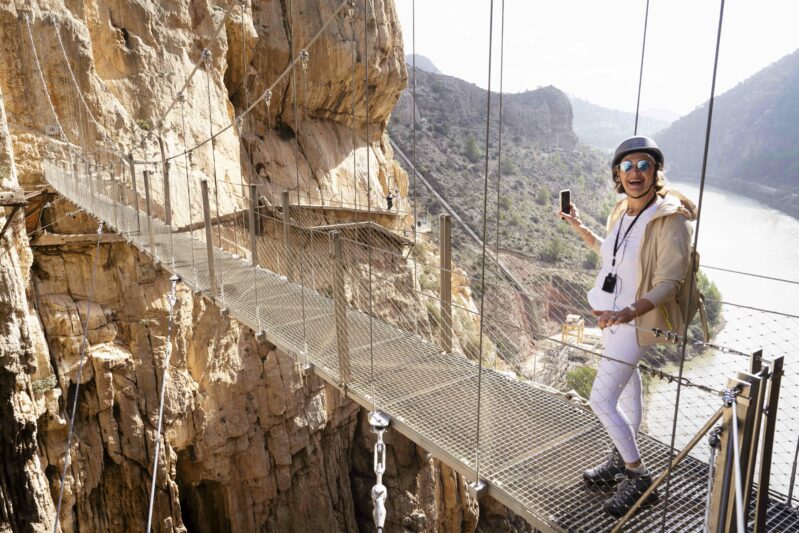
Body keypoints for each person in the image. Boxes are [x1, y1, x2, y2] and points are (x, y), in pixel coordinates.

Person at [559, 136, 697, 517]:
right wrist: (580, 227)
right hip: (614, 317)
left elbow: (672, 280)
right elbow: (614, 256)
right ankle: (621, 459)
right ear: (617, 174)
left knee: (602, 399)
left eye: (644, 165)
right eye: (627, 166)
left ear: (655, 172)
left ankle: (639, 477)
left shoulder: (670, 218)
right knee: (626, 394)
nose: (635, 173)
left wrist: (629, 312)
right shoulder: (623, 211)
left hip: (633, 321)